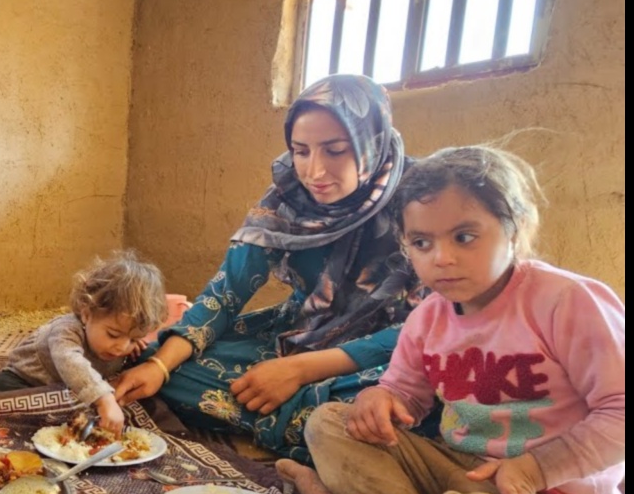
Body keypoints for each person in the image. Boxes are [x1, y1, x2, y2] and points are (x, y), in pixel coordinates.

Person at [281, 145, 625, 494]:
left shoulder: (567, 302)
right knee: (329, 423)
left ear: (515, 228)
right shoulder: (428, 317)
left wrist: (533, 470)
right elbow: (405, 394)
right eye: (421, 243)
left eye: (465, 236)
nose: (442, 259)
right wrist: (378, 401)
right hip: (451, 478)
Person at [114, 74, 425, 462]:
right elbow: (226, 294)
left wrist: (299, 370)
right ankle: (310, 432)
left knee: (414, 408)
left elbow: (433, 329)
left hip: (386, 357)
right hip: (302, 332)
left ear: (370, 142)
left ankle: (314, 425)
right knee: (159, 365)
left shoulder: (422, 198)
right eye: (301, 151)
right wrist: (160, 365)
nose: (314, 172)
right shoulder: (288, 195)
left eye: (335, 150)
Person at [0, 251, 167, 435]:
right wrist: (104, 399)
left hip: (69, 392)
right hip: (29, 382)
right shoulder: (65, 329)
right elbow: (70, 361)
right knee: (2, 388)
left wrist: (135, 346)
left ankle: (69, 417)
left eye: (133, 339)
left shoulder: (123, 343)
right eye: (113, 335)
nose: (122, 347)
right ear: (86, 314)